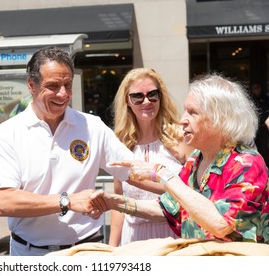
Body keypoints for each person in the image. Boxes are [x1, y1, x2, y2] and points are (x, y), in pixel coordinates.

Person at [91, 73, 269, 244]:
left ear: (219, 119)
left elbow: (221, 224)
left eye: (192, 112)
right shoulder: (196, 159)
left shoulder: (246, 163)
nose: (183, 119)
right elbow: (169, 209)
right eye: (185, 110)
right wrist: (114, 202)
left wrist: (160, 173)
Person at [0, 46, 134, 256]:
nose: (63, 94)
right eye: (54, 86)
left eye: (68, 84)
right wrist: (67, 201)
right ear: (31, 85)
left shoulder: (92, 126)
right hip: (30, 255)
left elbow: (132, 170)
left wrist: (177, 178)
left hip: (86, 252)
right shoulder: (8, 133)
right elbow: (4, 202)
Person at [109, 68, 193, 246]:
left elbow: (194, 192)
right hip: (132, 239)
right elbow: (119, 203)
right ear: (128, 101)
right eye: (138, 97)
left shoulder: (180, 137)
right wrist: (112, 250)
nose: (146, 101)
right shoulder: (121, 144)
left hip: (174, 235)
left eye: (152, 94)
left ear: (161, 97)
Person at [249, 82, 269, 167]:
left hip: (263, 128)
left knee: (264, 149)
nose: (255, 90)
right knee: (253, 149)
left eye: (257, 88)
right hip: (253, 129)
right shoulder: (250, 100)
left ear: (260, 89)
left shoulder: (266, 99)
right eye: (253, 88)